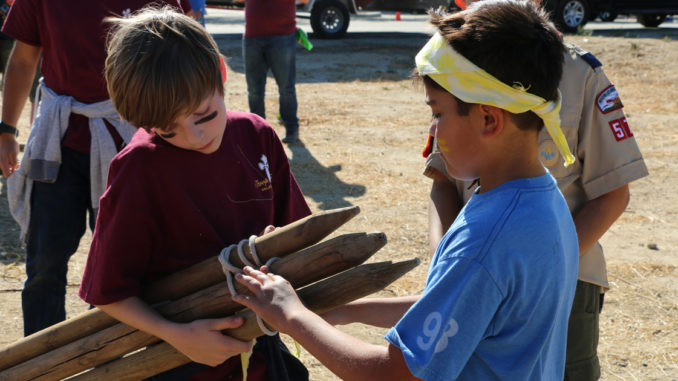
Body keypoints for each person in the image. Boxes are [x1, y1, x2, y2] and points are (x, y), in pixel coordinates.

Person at [232, 1, 579, 379]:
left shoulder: (488, 237)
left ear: (488, 118)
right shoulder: (541, 200)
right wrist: (344, 310)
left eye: (438, 112)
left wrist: (292, 315)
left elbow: (396, 373)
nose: (432, 130)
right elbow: (455, 310)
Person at [78, 7, 310, 380]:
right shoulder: (138, 168)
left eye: (204, 115)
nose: (195, 136)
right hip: (177, 363)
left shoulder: (258, 137)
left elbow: (300, 237)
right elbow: (108, 293)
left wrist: (281, 250)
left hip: (260, 359)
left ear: (219, 73)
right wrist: (177, 335)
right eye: (168, 131)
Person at [424, 1, 649, 379]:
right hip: (471, 279)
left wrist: (543, 270)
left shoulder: (579, 73)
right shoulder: (461, 58)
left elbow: (613, 193)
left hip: (563, 285)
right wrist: (444, 270)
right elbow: (443, 182)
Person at [0, 0, 192, 336]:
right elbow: (23, 58)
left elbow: (185, 58)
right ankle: (41, 362)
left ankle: (111, 358)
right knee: (45, 262)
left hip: (134, 145)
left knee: (125, 266)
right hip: (59, 142)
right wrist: (6, 130)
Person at [243, 0, 300, 143]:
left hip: (282, 35)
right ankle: (258, 131)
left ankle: (291, 128)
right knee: (254, 89)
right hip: (252, 36)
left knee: (286, 87)